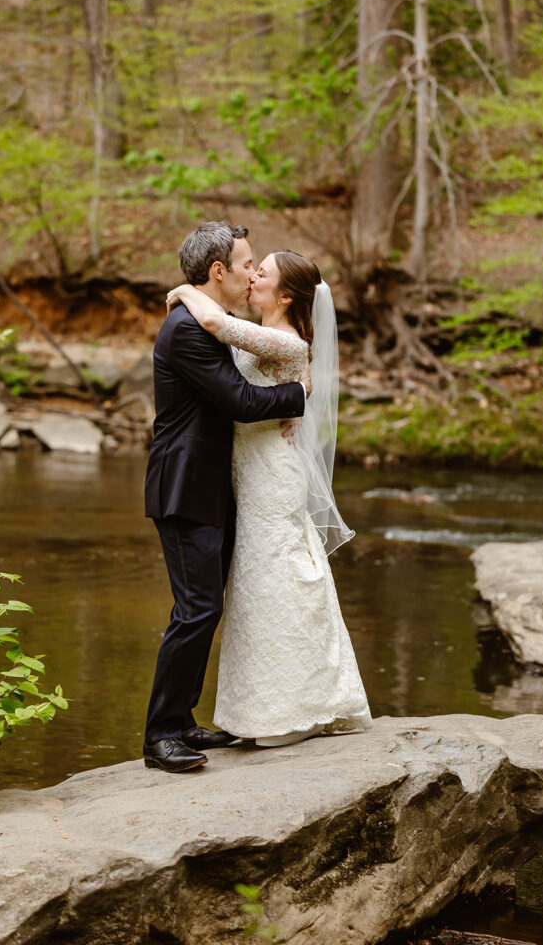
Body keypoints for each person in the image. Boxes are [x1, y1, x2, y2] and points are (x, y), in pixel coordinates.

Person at [169, 249, 372, 747]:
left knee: (277, 584)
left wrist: (182, 290)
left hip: (271, 478)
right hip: (248, 473)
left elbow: (215, 321)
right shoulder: (263, 334)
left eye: (262, 273)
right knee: (257, 589)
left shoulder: (286, 342)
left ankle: (292, 712)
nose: (252, 276)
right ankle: (269, 707)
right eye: (252, 268)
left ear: (283, 296)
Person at [143, 222, 308, 773]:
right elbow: (238, 399)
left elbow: (245, 356)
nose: (251, 272)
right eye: (245, 264)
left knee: (203, 609)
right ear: (219, 271)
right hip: (185, 488)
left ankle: (183, 720)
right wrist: (298, 393)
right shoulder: (187, 330)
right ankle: (161, 734)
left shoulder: (213, 322)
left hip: (214, 487)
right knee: (196, 611)